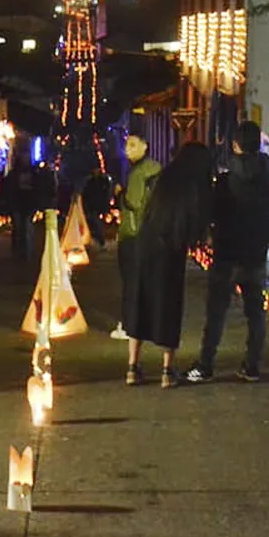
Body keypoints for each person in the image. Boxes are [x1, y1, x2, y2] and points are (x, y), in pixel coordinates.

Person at [185, 121, 269, 384]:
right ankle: (252, 365)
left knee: (216, 313)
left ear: (235, 145)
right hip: (256, 254)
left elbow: (212, 212)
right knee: (256, 312)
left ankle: (206, 364)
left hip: (227, 254)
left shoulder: (225, 182)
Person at [123, 144, 213, 388]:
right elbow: (196, 225)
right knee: (168, 303)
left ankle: (132, 367)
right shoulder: (194, 186)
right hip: (170, 249)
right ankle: (167, 370)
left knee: (139, 299)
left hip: (145, 242)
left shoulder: (165, 177)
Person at [117, 134, 162, 371]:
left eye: (133, 145)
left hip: (133, 234)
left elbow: (133, 202)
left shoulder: (138, 173)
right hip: (150, 235)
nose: (127, 149)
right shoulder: (157, 170)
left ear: (145, 146)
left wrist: (119, 195)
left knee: (131, 286)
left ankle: (130, 329)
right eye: (126, 145)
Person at [4, 150, 37, 260]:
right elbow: (8, 189)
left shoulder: (33, 173)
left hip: (28, 204)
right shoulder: (14, 174)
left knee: (26, 228)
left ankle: (27, 252)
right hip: (17, 203)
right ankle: (19, 251)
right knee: (18, 228)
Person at [81, 169, 112, 248]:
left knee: (98, 223)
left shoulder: (102, 180)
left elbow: (106, 193)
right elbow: (86, 194)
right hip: (93, 205)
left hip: (99, 205)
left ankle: (100, 239)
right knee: (96, 222)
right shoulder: (91, 181)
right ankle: (99, 239)